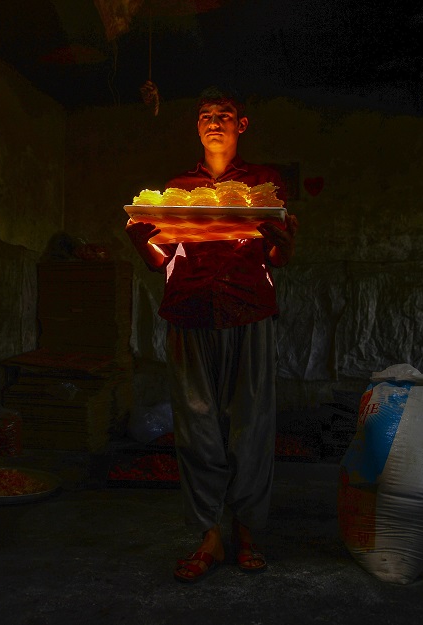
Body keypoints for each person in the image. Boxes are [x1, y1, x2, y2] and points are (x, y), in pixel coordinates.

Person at [125, 86, 298, 583]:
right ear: (197, 127)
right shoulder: (177, 188)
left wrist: (285, 243)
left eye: (224, 114)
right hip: (189, 310)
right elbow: (161, 259)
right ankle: (209, 535)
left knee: (252, 422)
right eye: (205, 115)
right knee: (197, 427)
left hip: (248, 310)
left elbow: (278, 257)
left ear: (241, 125)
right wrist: (142, 242)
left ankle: (247, 530)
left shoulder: (264, 185)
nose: (214, 122)